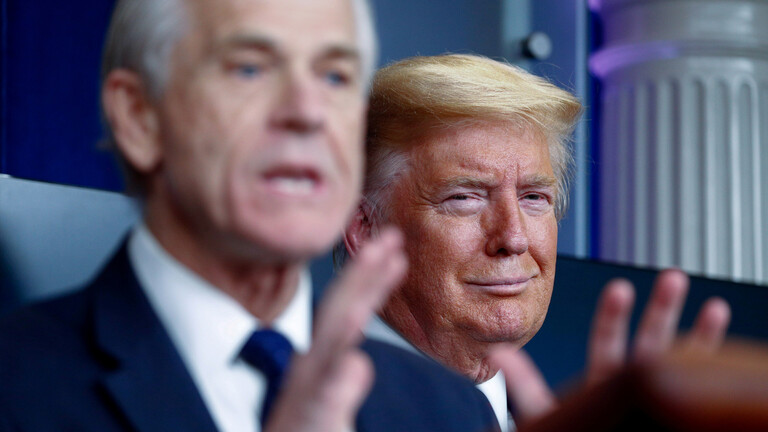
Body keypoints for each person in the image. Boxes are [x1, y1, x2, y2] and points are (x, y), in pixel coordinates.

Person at [0, 3, 499, 432]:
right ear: (139, 116)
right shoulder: (17, 387)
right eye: (249, 69)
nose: (308, 112)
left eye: (335, 77)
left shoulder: (449, 412)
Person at [341, 54, 732, 430]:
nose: (513, 238)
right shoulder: (311, 406)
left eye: (533, 197)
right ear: (365, 229)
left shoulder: (576, 416)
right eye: (464, 198)